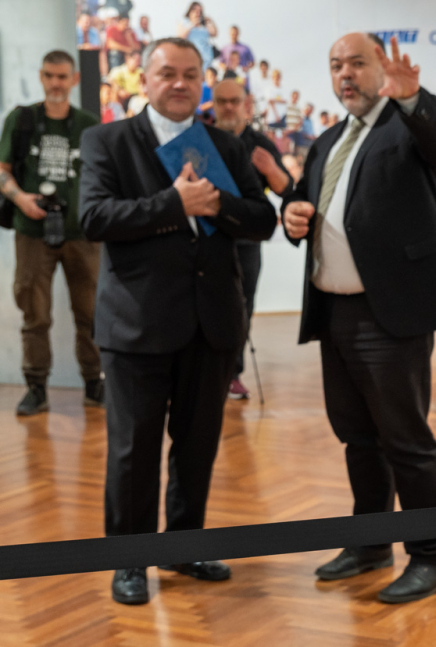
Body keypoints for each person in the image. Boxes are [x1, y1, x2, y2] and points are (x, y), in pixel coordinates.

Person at [78, 37, 276, 606]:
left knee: (197, 447)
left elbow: (261, 220)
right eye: (168, 73)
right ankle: (129, 561)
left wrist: (218, 205)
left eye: (191, 74)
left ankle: (184, 547)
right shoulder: (107, 140)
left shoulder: (226, 145)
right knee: (132, 452)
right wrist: (175, 204)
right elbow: (93, 217)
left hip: (211, 325)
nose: (180, 83)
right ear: (145, 79)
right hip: (136, 326)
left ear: (202, 82)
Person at [281, 33, 436, 603]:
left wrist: (412, 96)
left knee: (406, 441)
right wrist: (292, 215)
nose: (345, 74)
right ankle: (370, 544)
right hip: (335, 311)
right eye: (335, 65)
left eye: (357, 63)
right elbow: (306, 206)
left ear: (380, 69)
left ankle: (430, 557)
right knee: (358, 438)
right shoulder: (327, 141)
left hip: (391, 313)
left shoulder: (407, 127)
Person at [0, 50, 103, 416]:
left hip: (82, 234)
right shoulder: (21, 119)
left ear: (74, 79)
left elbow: (103, 177)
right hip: (32, 232)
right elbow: (2, 169)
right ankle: (36, 387)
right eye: (49, 76)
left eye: (62, 77)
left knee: (90, 313)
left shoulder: (89, 124)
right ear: (41, 77)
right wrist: (19, 197)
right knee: (35, 314)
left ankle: (94, 383)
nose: (55, 83)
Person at [213, 79, 290, 399]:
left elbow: (286, 188)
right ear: (214, 105)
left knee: (242, 307)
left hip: (246, 243)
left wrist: (270, 169)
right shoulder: (202, 139)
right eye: (222, 101)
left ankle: (232, 373)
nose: (228, 107)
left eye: (234, 101)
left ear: (247, 104)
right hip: (206, 240)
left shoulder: (260, 144)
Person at [177, 1, 217, 72]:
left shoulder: (203, 25)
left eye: (200, 11)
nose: (197, 13)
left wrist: (210, 21)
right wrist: (192, 24)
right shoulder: (184, 22)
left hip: (206, 59)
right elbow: (180, 37)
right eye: (194, 10)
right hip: (191, 58)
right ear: (190, 11)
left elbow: (214, 33)